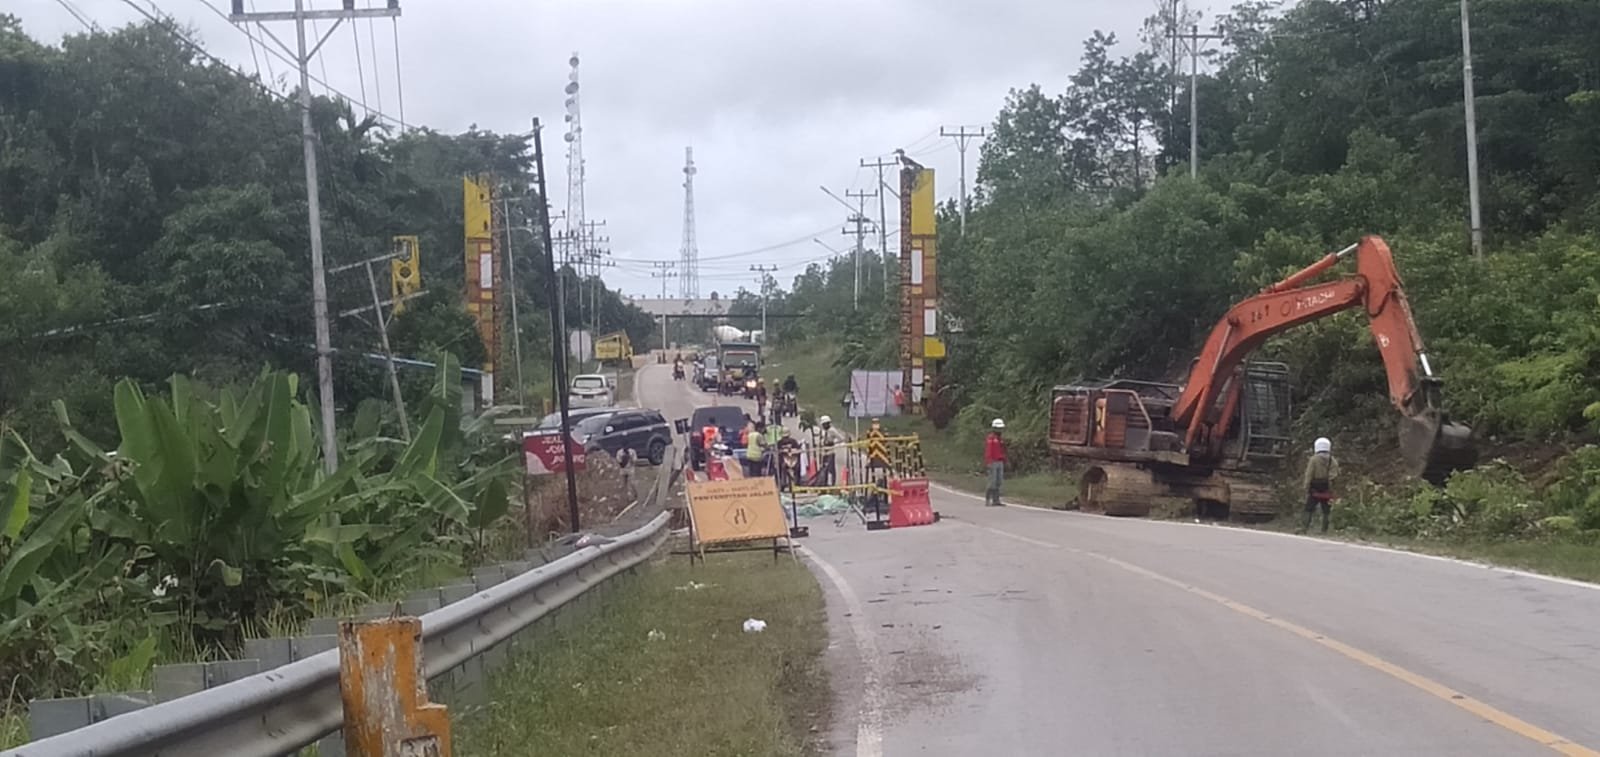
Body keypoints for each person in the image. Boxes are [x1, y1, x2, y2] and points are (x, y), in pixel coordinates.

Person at [1301, 436, 1340, 534]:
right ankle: (1324, 530)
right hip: (1326, 488)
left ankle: (1304, 528)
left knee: (1309, 508)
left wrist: (1306, 487)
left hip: (1315, 488)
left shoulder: (1313, 459)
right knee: (1326, 510)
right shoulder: (1332, 460)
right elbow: (1334, 475)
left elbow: (1309, 474)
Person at [817, 415, 848, 486]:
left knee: (831, 469)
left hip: (830, 452)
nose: (823, 426)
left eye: (825, 424)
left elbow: (842, 438)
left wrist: (834, 442)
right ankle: (825, 483)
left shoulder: (832, 430)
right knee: (824, 469)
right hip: (824, 452)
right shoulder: (823, 431)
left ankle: (832, 483)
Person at [984, 418, 1007, 507]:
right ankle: (988, 499)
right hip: (993, 461)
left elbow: (1002, 450)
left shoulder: (1000, 439)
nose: (1000, 430)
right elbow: (989, 451)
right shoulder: (991, 438)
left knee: (999, 481)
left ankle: (996, 500)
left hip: (1000, 461)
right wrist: (989, 462)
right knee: (992, 482)